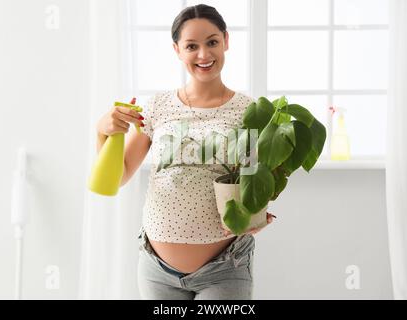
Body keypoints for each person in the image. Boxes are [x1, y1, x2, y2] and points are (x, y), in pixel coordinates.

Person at [96, 4, 276, 300]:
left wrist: (255, 214)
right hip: (156, 271)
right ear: (177, 50)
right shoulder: (157, 107)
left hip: (225, 267)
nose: (203, 55)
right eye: (192, 46)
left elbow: (254, 177)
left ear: (226, 41)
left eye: (212, 42)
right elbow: (118, 176)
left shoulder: (249, 110)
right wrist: (102, 131)